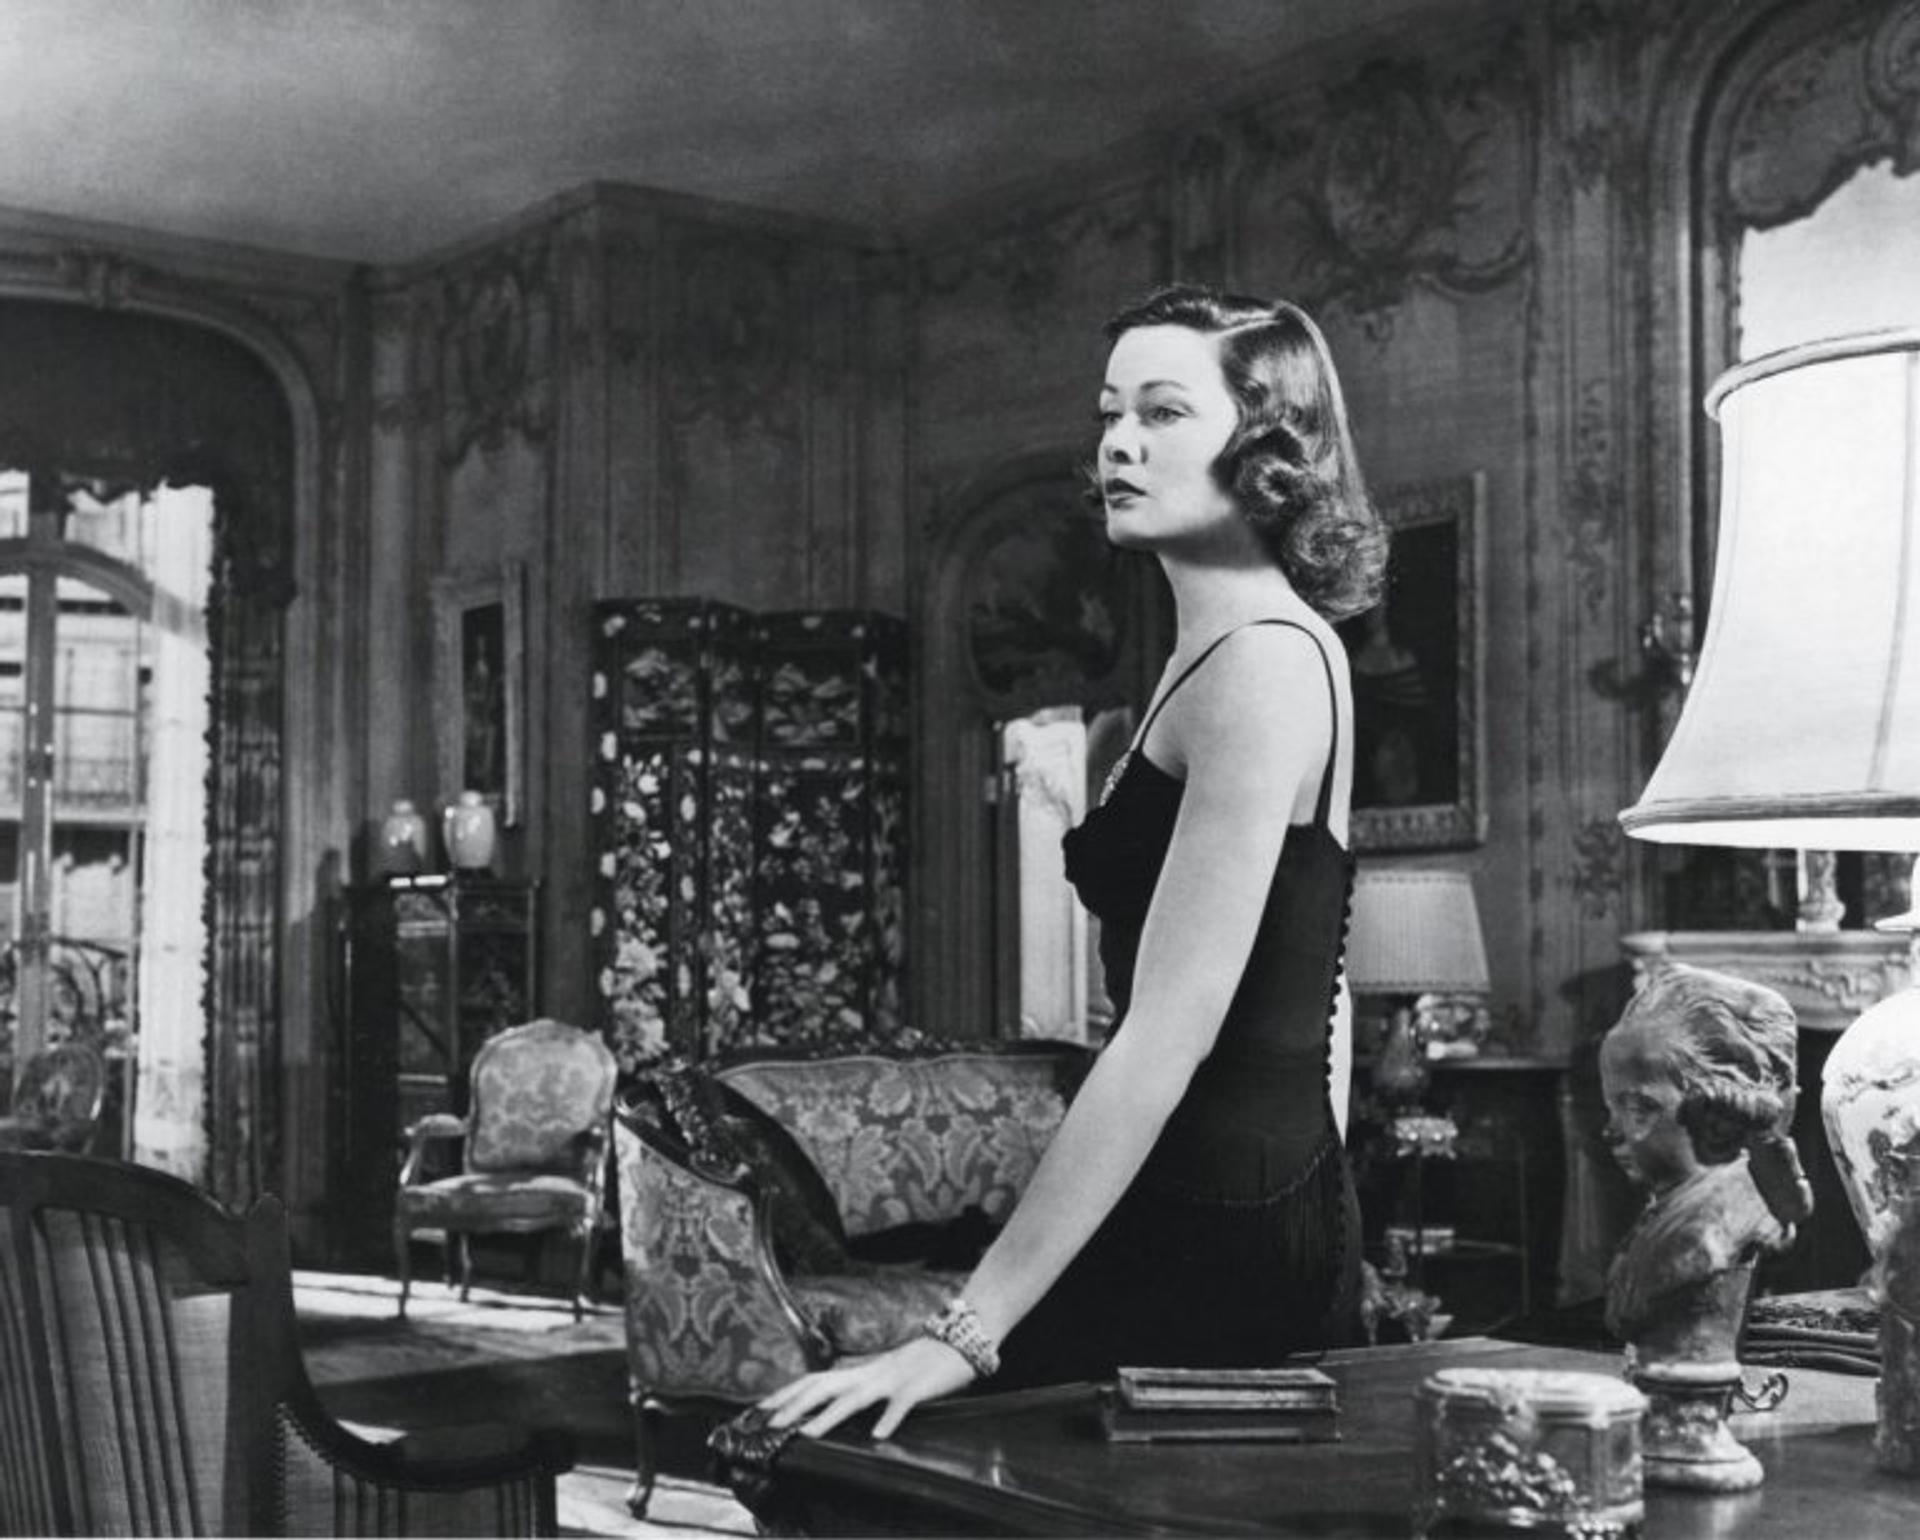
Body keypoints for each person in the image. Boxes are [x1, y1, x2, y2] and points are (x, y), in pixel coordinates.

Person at [760, 283, 1388, 1440]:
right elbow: (1325, 974)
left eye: (1162, 411)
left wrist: (960, 1333)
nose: (1118, 444)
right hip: (1236, 1182)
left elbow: (1169, 1030)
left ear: (1269, 449)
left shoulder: (1263, 660)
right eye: (1109, 414)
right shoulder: (1229, 648)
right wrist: (1314, 1178)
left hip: (1219, 1215)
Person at [1600, 963, 1813, 1366]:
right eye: (1611, 1106)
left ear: (1717, 1119)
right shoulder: (1667, 1211)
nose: (1609, 1131)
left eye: (1638, 1107)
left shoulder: (1712, 1228)